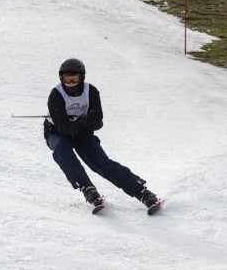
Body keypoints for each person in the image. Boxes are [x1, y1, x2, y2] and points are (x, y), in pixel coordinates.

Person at [44, 58, 160, 212]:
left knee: (99, 162)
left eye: (74, 79)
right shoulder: (56, 95)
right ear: (61, 78)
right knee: (61, 149)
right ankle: (87, 187)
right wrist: (84, 121)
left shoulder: (91, 91)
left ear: (82, 78)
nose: (70, 83)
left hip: (81, 133)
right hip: (56, 132)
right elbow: (64, 128)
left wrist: (87, 122)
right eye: (67, 79)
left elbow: (98, 123)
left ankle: (141, 191)